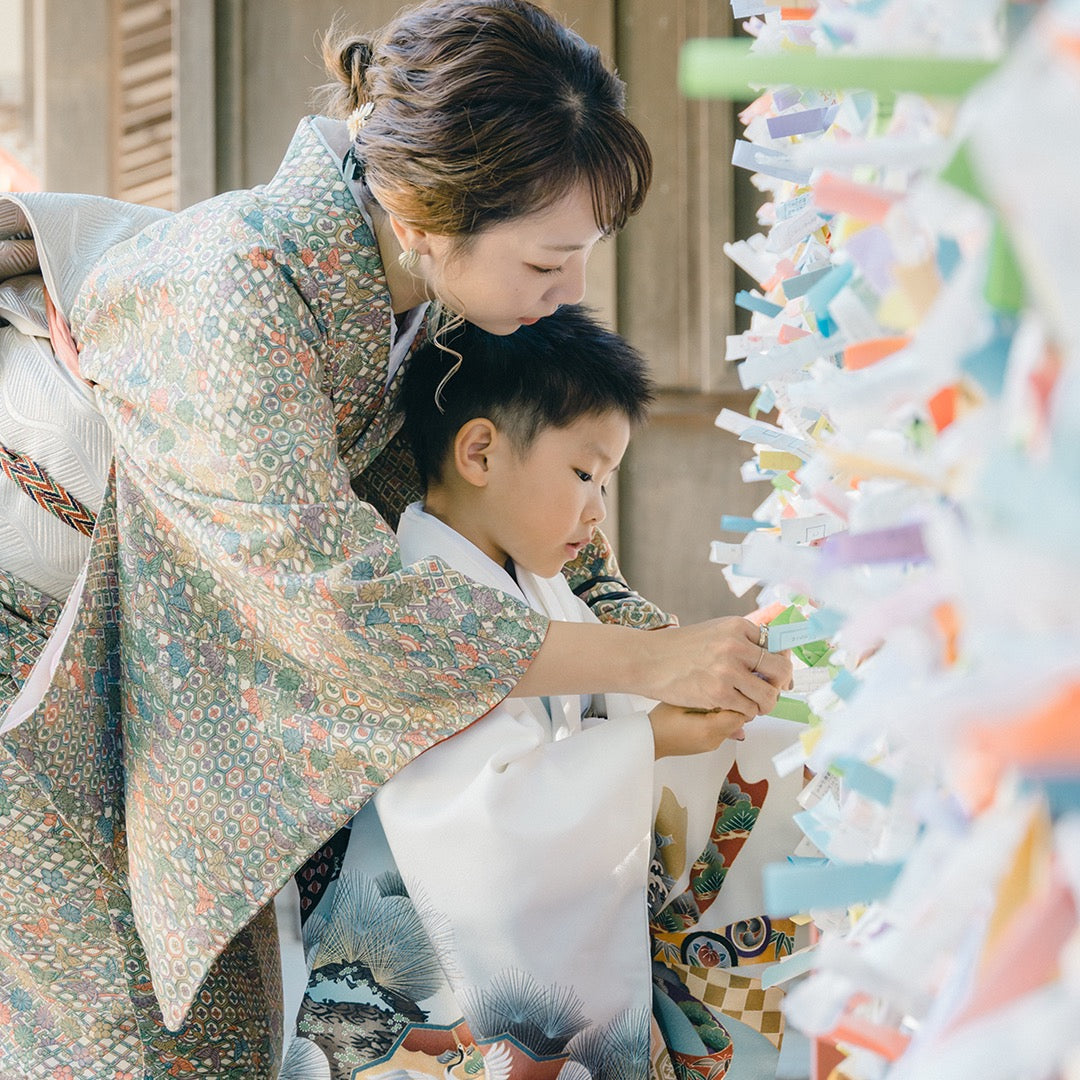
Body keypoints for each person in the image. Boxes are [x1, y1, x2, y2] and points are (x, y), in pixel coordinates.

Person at [0, 1, 791, 1074]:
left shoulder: (440, 294)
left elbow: (551, 545)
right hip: (42, 686)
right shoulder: (228, 289)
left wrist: (702, 667)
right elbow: (344, 610)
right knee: (124, 1048)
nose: (573, 292)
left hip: (185, 677)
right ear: (422, 209)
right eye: (549, 261)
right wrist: (649, 664)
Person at [283, 305, 801, 1078]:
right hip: (432, 988)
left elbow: (607, 715)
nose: (597, 510)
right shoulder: (420, 603)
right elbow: (484, 833)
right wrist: (651, 738)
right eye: (585, 474)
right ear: (481, 452)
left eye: (607, 481)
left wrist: (705, 708)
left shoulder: (539, 589)